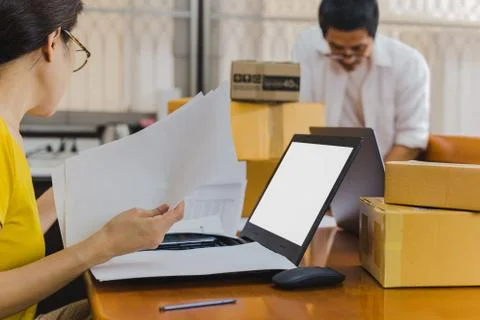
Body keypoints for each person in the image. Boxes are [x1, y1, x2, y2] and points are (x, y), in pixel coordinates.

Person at [0, 1, 184, 319]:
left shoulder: (9, 129)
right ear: (52, 42)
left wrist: (78, 183)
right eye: (78, 49)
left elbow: (12, 236)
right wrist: (105, 244)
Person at [292, 0, 430, 161]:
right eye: (337, 48)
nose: (348, 57)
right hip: (321, 165)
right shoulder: (308, 53)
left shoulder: (408, 64)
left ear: (374, 35)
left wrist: (379, 178)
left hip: (387, 170)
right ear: (324, 37)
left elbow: (411, 138)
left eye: (358, 48)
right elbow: (299, 122)